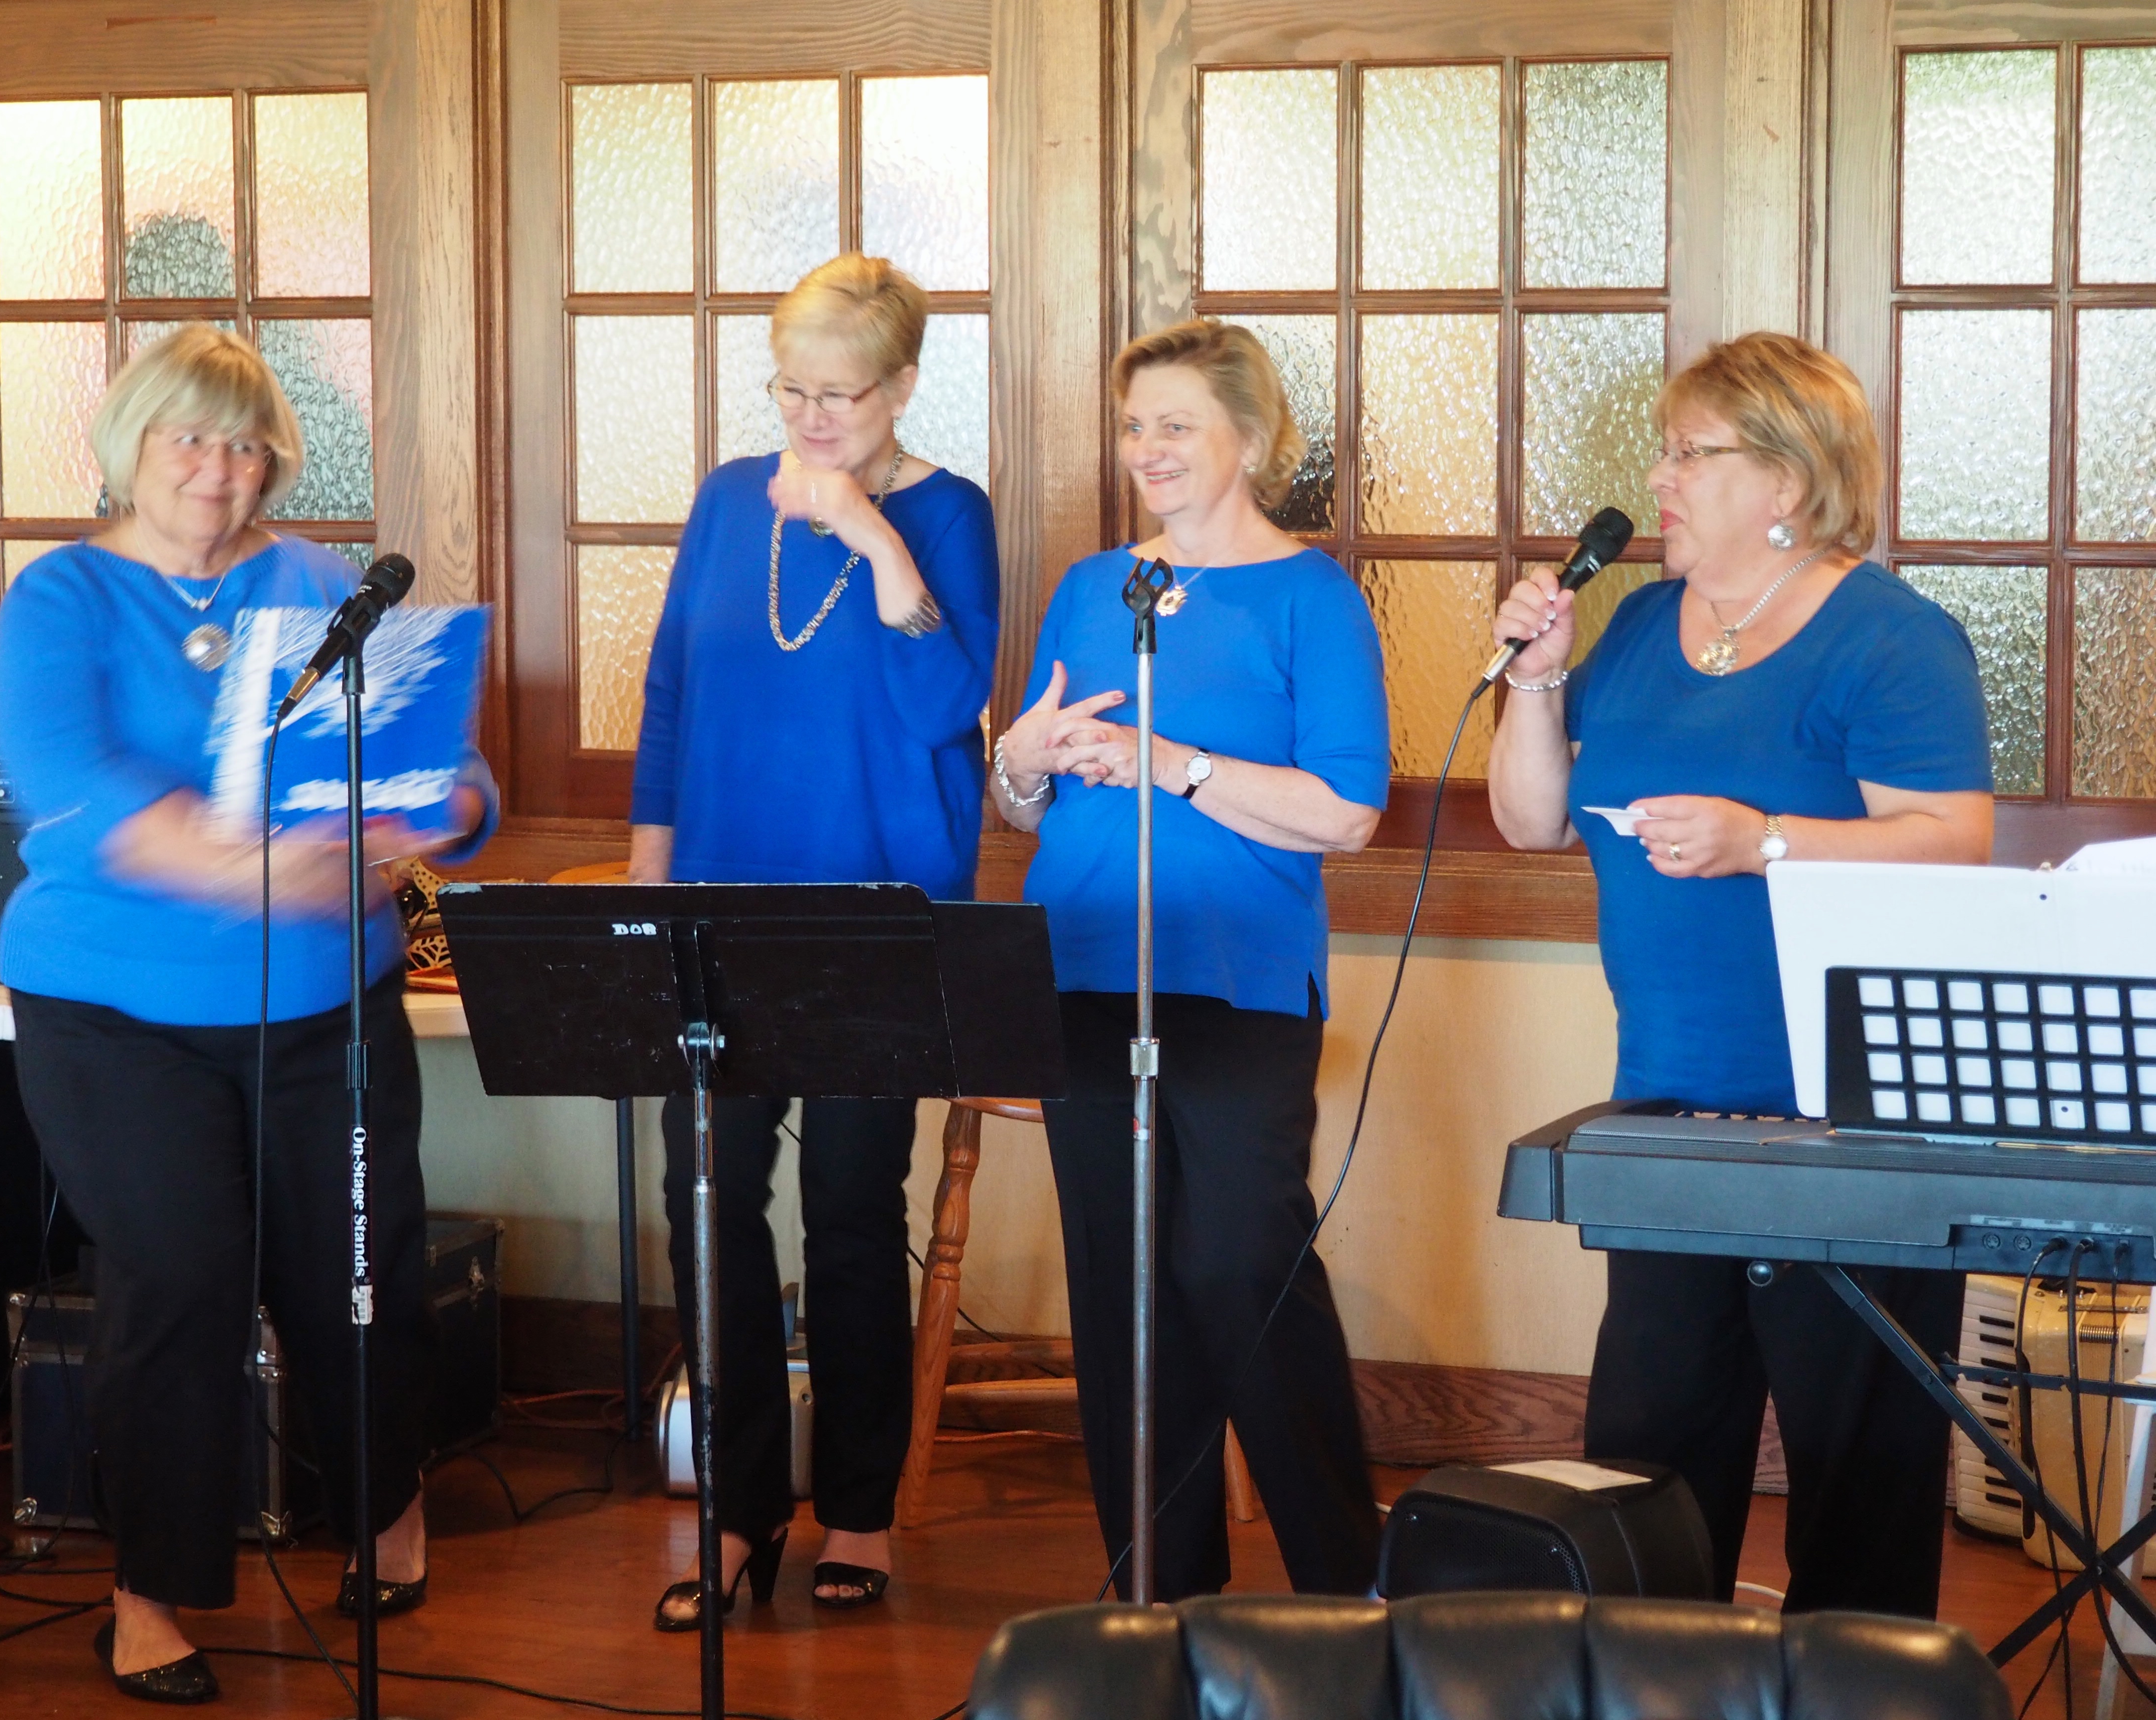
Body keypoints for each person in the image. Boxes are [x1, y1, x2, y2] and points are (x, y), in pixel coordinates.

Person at [0, 324, 498, 1702]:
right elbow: (75, 790)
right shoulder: (62, 599)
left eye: (247, 447)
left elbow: (452, 771)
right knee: (180, 1277)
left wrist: (437, 818)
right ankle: (149, 1595)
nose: (221, 472)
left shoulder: (327, 583)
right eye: (190, 441)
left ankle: (389, 1514)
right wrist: (251, 867)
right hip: (116, 1014)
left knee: (361, 1269)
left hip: (324, 1005)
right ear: (131, 447)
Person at [1485, 330, 1995, 1616]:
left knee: (1859, 1484)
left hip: (1858, 1121)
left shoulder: (1892, 640)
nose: (1658, 480)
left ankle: (1856, 1696)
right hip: (1670, 1104)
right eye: (1663, 454)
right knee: (1650, 1468)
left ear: (1786, 479)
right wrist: (1537, 686)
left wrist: (1762, 841)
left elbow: (1953, 840)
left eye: (1689, 456)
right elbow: (1532, 823)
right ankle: (1660, 1693)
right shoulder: (1641, 626)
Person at [991, 317, 1389, 1601]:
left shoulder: (1312, 598)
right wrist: (1020, 763)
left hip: (1238, 983)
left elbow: (1348, 813)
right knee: (1122, 1292)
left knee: (1236, 1262)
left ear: (1253, 442)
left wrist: (1173, 764)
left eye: (1176, 424)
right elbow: (1025, 804)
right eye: (1133, 426)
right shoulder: (1090, 587)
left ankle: (1347, 1587)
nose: (1146, 450)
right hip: (1080, 971)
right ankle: (1159, 1597)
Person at [629, 253, 1000, 1627]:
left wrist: (866, 530)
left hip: (876, 910)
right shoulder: (730, 500)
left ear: (902, 386)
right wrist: (649, 886)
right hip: (718, 905)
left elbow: (946, 702)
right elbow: (671, 694)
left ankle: (858, 1509)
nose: (811, 417)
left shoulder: (949, 514)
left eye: (840, 394)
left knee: (850, 1209)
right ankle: (736, 1516)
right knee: (709, 1205)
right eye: (792, 390)